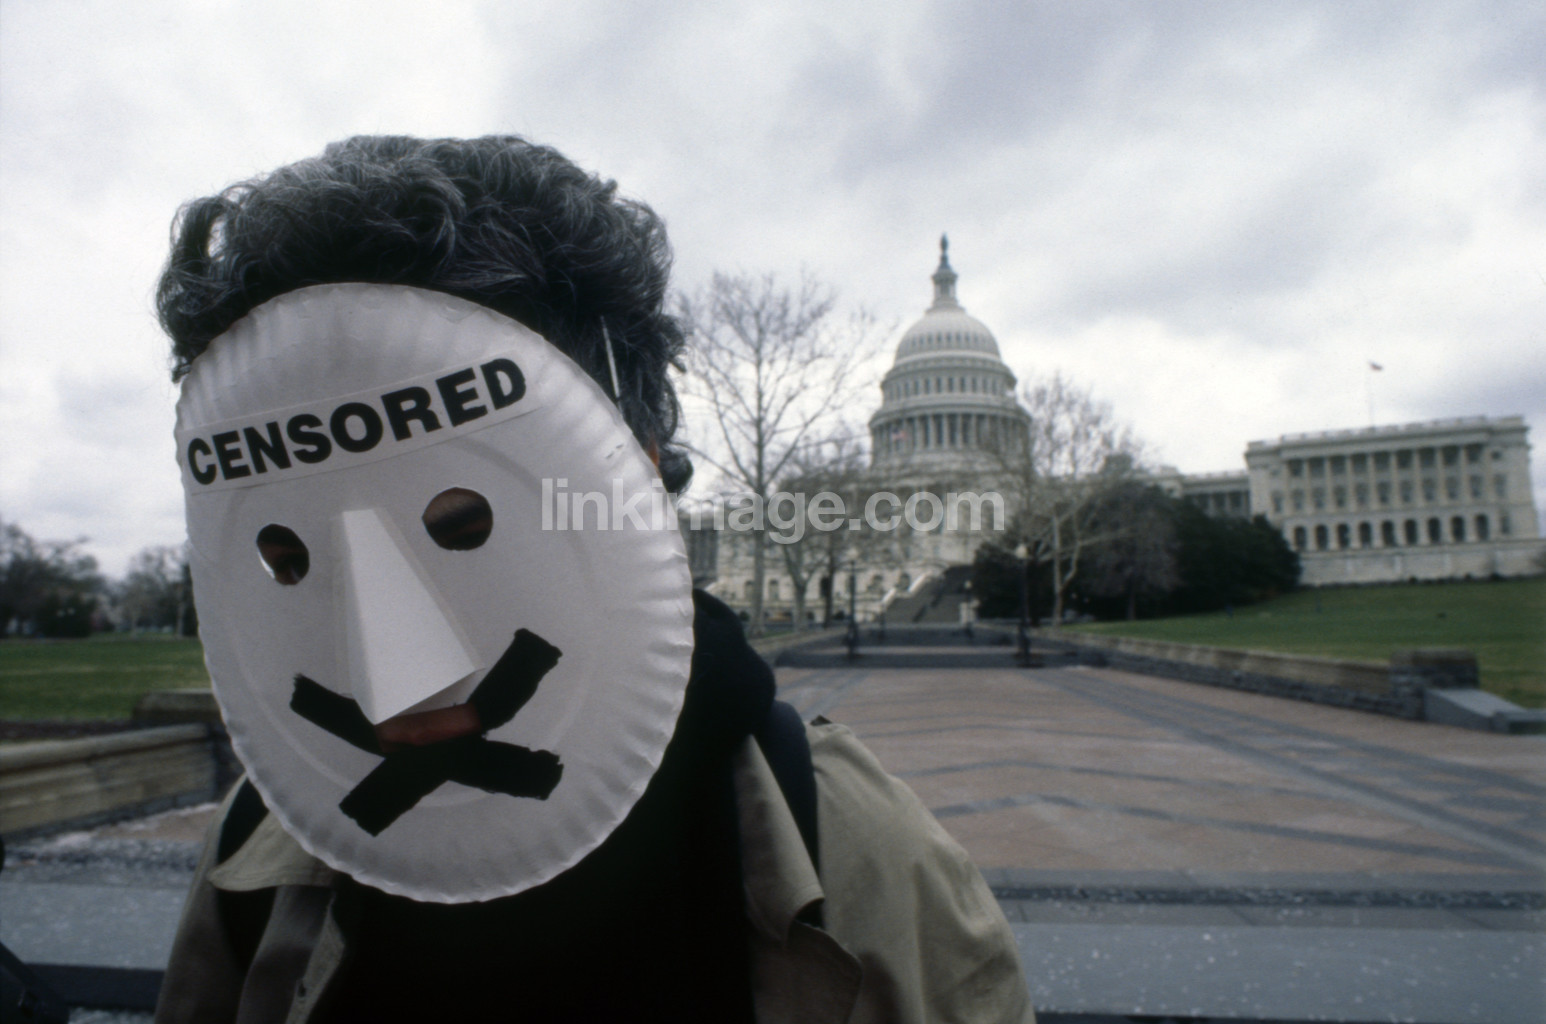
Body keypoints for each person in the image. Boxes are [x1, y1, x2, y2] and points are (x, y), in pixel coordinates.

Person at [153, 135, 1032, 1024]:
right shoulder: (255, 845)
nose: (396, 688)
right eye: (293, 564)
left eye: (465, 532)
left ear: (637, 486)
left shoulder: (855, 849)